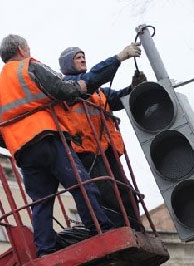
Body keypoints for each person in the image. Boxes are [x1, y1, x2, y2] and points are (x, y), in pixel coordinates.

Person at [0, 34, 115, 258]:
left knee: (41, 201)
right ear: (20, 49)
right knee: (82, 185)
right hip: (47, 137)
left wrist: (18, 137)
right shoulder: (29, 67)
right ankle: (101, 229)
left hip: (24, 151)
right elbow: (62, 90)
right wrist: (82, 86)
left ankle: (45, 251)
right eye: (27, 46)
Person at [57, 44, 146, 230]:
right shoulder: (67, 88)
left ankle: (136, 228)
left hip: (107, 150)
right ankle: (120, 231)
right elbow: (91, 80)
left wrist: (133, 88)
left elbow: (118, 98)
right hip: (87, 153)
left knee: (125, 191)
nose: (83, 59)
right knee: (106, 193)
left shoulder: (99, 92)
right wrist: (118, 58)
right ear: (68, 64)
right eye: (77, 58)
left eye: (83, 56)